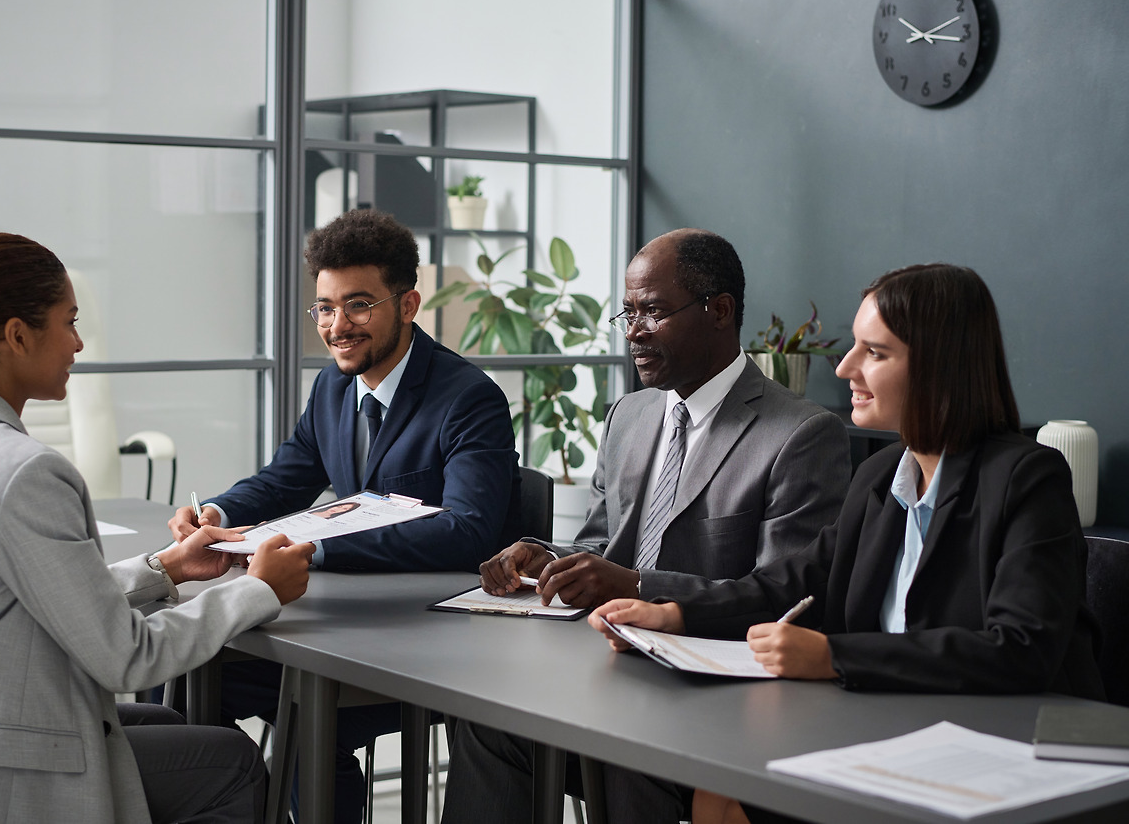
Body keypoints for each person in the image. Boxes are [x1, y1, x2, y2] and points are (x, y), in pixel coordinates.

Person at [590, 263, 1105, 824]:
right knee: (717, 789)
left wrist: (835, 658)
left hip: (993, 746)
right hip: (885, 723)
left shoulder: (1030, 478)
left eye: (874, 353)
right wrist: (675, 614)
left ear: (941, 366)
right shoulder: (881, 475)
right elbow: (794, 584)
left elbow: (1019, 648)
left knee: (733, 795)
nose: (844, 367)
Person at [0, 233, 315, 824]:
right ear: (19, 335)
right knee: (231, 763)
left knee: (171, 724)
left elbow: (26, 596)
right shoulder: (23, 472)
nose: (78, 342)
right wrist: (259, 590)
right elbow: (127, 658)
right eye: (68, 322)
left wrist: (167, 568)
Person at [442, 229, 852, 824]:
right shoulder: (628, 415)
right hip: (609, 663)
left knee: (624, 748)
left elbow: (789, 597)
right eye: (627, 312)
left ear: (719, 311)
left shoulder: (799, 433)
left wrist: (638, 587)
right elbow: (601, 546)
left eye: (653, 312)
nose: (634, 330)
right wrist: (543, 555)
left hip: (715, 691)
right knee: (488, 722)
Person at [168, 207, 521, 824]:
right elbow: (289, 475)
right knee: (180, 672)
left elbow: (468, 532)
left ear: (408, 304)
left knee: (303, 716)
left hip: (428, 647)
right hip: (344, 625)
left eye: (358, 304)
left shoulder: (468, 398)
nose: (337, 326)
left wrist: (312, 546)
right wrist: (217, 514)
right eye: (325, 307)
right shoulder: (332, 388)